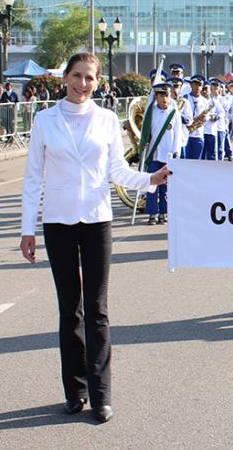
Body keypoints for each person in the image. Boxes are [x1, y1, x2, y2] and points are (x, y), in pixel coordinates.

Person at [19, 53, 171, 423]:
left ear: (98, 82)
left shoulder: (105, 120)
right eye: (76, 76)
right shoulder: (45, 120)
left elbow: (116, 169)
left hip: (97, 222)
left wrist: (150, 180)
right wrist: (27, 229)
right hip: (58, 222)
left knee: (97, 311)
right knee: (70, 309)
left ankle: (101, 394)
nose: (82, 84)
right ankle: (76, 392)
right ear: (65, 78)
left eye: (89, 78)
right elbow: (32, 179)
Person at [142, 81, 185, 225]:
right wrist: (144, 144)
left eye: (167, 95)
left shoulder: (174, 112)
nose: (165, 98)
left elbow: (178, 133)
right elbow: (146, 131)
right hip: (154, 153)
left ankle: (163, 213)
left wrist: (176, 152)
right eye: (161, 95)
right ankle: (152, 213)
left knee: (166, 187)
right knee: (152, 184)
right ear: (156, 96)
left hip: (168, 154)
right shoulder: (151, 112)